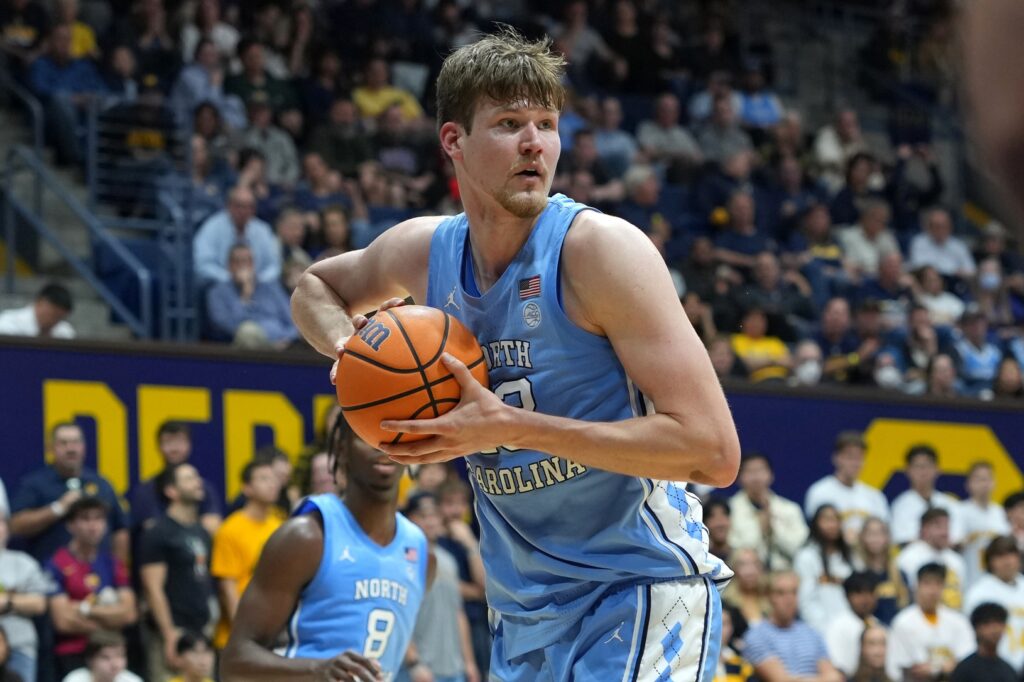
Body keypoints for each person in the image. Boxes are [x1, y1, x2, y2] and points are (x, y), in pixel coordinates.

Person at [290, 29, 740, 682]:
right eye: (508, 124)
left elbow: (712, 451)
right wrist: (349, 352)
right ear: (454, 141)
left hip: (640, 590)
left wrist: (516, 428)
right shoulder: (426, 252)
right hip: (525, 618)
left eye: (546, 124)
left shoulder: (600, 252)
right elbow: (316, 287)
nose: (535, 143)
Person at [219, 416, 431, 680]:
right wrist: (317, 669)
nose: (382, 445)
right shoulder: (306, 536)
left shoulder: (420, 551)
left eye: (394, 434)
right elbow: (234, 661)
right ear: (342, 449)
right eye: (367, 435)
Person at [10, 422, 129, 564]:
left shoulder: (101, 484)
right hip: (50, 576)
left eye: (75, 442)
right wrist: (57, 508)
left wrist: (118, 571)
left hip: (98, 577)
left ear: (84, 447)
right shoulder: (36, 484)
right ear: (51, 448)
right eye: (63, 443)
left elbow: (120, 529)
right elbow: (15, 525)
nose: (71, 449)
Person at [138, 463, 215, 682]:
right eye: (189, 478)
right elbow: (153, 588)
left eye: (197, 476)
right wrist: (169, 633)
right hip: (173, 630)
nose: (198, 482)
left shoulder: (201, 531)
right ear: (171, 491)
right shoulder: (159, 532)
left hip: (200, 630)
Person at [46, 497, 137, 678]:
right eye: (85, 519)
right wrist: (109, 619)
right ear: (70, 525)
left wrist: (83, 609)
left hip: (112, 654)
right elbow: (63, 621)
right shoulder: (57, 563)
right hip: (73, 652)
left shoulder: (113, 563)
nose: (93, 526)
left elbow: (129, 614)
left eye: (98, 519)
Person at [403, 492, 479, 682]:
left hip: (455, 669)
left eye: (435, 515)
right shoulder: (402, 558)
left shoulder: (448, 559)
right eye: (424, 515)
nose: (432, 521)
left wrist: (469, 662)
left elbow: (458, 612)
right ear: (409, 519)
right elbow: (396, 613)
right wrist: (414, 662)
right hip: (419, 671)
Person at [210, 460, 284, 650]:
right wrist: (242, 634)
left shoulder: (280, 525)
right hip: (240, 635)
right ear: (247, 488)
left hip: (276, 632)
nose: (272, 483)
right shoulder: (230, 529)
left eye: (274, 479)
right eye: (263, 479)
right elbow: (228, 587)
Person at [127, 421, 222, 539]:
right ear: (159, 446)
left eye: (180, 442)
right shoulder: (146, 490)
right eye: (168, 442)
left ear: (189, 445)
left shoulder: (203, 487)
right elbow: (155, 533)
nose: (174, 448)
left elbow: (213, 528)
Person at [743, 571, 844, 682]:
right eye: (781, 593)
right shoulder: (756, 635)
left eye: (794, 592)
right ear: (768, 596)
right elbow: (780, 680)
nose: (789, 599)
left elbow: (834, 677)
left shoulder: (812, 633)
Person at [886, 563, 973, 682]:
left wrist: (937, 668)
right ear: (917, 586)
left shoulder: (958, 620)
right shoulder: (903, 621)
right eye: (927, 583)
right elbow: (901, 666)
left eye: (938, 584)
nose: (933, 591)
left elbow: (967, 657)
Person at [205, 242, 299, 348]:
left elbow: (293, 321)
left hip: (282, 347)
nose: (243, 266)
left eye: (247, 261)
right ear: (229, 266)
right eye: (238, 262)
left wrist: (286, 339)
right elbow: (231, 327)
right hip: (247, 352)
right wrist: (245, 296)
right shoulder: (218, 292)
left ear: (254, 264)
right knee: (248, 332)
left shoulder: (271, 288)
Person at [729, 452, 808, 572]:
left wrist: (773, 530)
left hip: (784, 576)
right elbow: (732, 548)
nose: (756, 477)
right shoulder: (730, 509)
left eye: (760, 470)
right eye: (749, 471)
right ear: (739, 477)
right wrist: (759, 530)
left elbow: (800, 547)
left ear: (771, 475)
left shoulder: (790, 509)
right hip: (745, 577)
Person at [804, 431, 889, 542]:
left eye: (859, 458)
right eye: (850, 457)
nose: (855, 463)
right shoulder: (819, 492)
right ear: (836, 458)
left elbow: (885, 535)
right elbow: (816, 534)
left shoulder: (875, 496)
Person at [963, 536, 1024, 671]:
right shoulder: (979, 593)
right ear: (990, 561)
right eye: (1000, 556)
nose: (1007, 561)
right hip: (995, 667)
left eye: (1011, 554)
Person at [0, 516, 50, 682]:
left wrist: (7, 602)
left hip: (19, 646)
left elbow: (39, 603)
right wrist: (18, 597)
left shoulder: (22, 562)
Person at [794, 504, 854, 634]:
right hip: (820, 629)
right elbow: (806, 601)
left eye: (836, 519)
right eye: (827, 520)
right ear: (816, 524)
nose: (832, 525)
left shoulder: (849, 557)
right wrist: (823, 628)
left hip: (849, 627)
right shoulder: (807, 557)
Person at [889, 444, 961, 547]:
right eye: (918, 466)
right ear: (908, 470)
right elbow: (903, 540)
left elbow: (956, 539)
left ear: (937, 469)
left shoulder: (950, 503)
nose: (923, 472)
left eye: (927, 466)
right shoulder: (901, 505)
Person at [897, 508, 966, 609]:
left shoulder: (957, 561)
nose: (944, 532)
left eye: (946, 527)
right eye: (938, 527)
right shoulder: (908, 559)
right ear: (924, 529)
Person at [958, 462, 1010, 590]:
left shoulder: (1000, 512)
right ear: (968, 484)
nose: (984, 484)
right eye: (979, 479)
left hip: (998, 579)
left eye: (987, 479)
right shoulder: (960, 511)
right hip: (970, 578)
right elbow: (954, 544)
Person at [824, 572, 882, 677]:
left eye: (870, 592)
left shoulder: (877, 624)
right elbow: (838, 668)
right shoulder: (838, 626)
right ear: (847, 596)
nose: (866, 599)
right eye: (859, 593)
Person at [855, 517, 909, 625]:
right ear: (862, 538)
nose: (875, 538)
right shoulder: (857, 575)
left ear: (887, 537)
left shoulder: (899, 574)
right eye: (870, 533)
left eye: (880, 533)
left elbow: (906, 607)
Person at [951, 603, 1017, 682]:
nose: (995, 629)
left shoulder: (1009, 670)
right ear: (976, 628)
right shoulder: (965, 670)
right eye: (988, 623)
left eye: (999, 623)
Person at [60, 630, 142, 682]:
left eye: (120, 656)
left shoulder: (133, 680)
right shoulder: (74, 679)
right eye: (105, 657)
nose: (115, 664)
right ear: (90, 660)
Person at [0, 282, 75, 338]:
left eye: (59, 318)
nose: (54, 321)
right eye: (53, 315)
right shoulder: (8, 323)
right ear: (40, 302)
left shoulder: (65, 331)